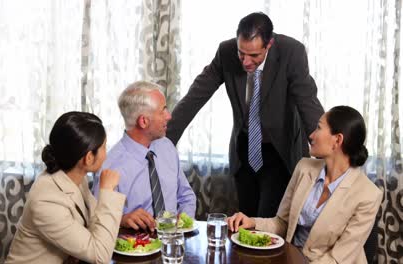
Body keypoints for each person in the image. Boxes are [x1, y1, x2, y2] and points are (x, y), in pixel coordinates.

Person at [166, 12, 324, 217]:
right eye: (242, 53)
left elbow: (307, 100)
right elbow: (196, 95)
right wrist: (165, 141)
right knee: (246, 219)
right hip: (246, 150)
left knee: (267, 220)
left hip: (279, 150)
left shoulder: (291, 52)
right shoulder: (226, 52)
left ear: (269, 44)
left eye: (254, 56)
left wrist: (327, 147)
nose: (246, 62)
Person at [227, 106, 382, 263]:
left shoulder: (368, 195)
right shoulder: (304, 168)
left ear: (337, 140)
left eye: (319, 128)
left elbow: (338, 259)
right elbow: (282, 223)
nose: (311, 135)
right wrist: (252, 222)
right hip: (291, 258)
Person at [6, 112, 126, 264]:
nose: (106, 154)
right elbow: (100, 255)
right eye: (104, 147)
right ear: (88, 158)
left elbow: (93, 222)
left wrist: (122, 220)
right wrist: (107, 191)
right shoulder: (46, 201)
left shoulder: (73, 176)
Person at [93, 81, 196, 231]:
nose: (169, 116)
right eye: (163, 111)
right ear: (143, 121)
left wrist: (182, 224)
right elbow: (98, 220)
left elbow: (186, 196)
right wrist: (122, 220)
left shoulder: (167, 147)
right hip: (137, 247)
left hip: (174, 243)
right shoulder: (109, 166)